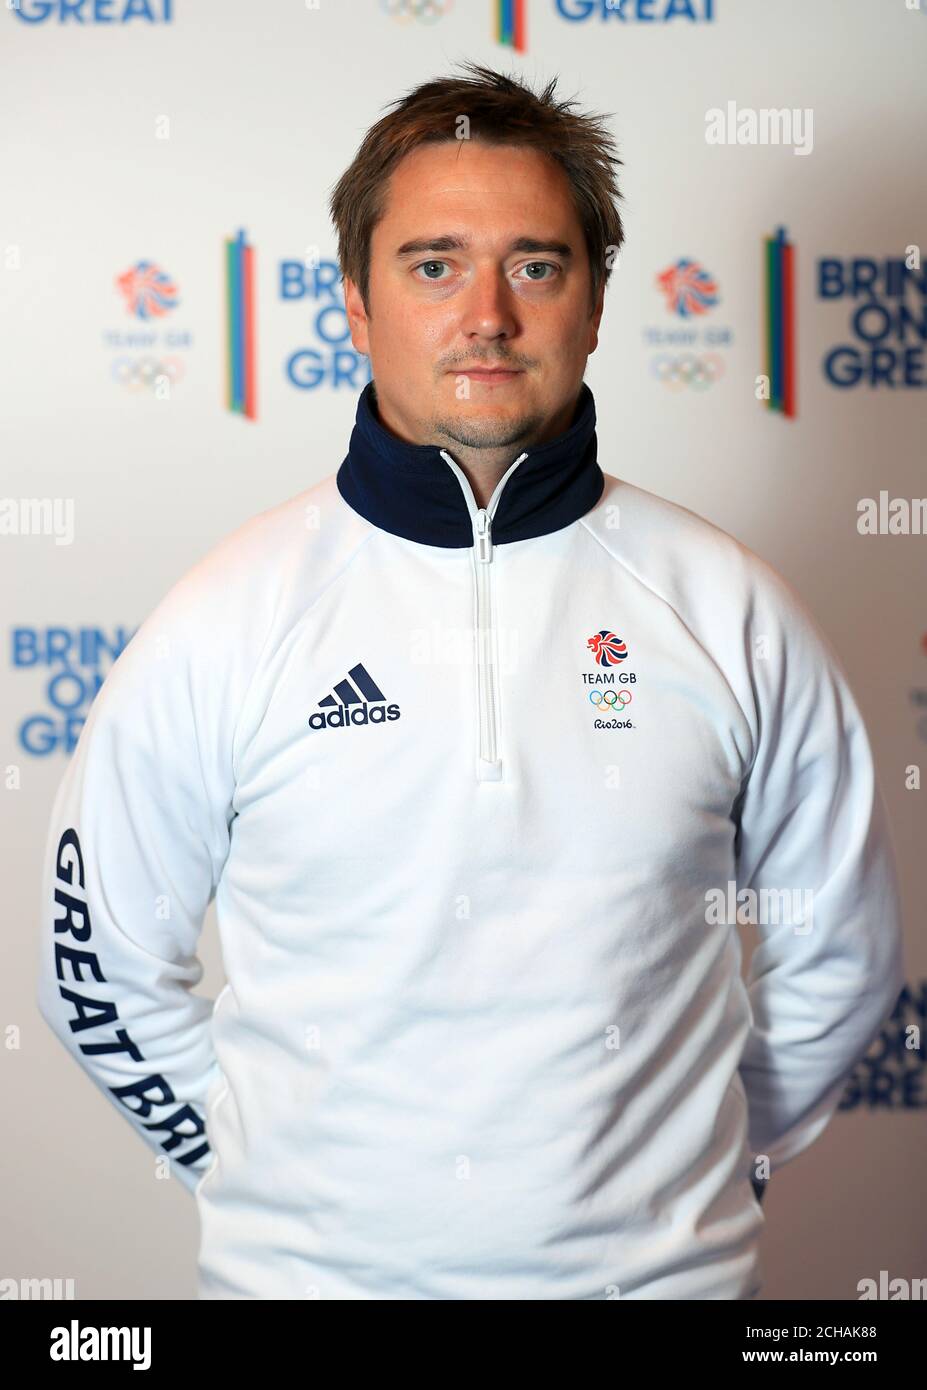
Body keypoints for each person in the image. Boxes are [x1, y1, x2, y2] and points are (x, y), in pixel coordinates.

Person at [38, 61, 904, 1301]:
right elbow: (98, 972)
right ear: (355, 301)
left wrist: (696, 1183)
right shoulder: (223, 620)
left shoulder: (730, 609)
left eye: (536, 266)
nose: (486, 314)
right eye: (434, 265)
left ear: (594, 305)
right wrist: (265, 1185)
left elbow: (842, 962)